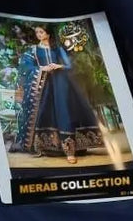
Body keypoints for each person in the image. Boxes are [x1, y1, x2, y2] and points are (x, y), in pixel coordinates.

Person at [13, 24, 101, 163]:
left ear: (48, 34)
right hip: (44, 85)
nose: (39, 34)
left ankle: (70, 150)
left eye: (41, 32)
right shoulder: (34, 50)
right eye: (37, 32)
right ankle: (47, 146)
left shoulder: (58, 49)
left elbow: (69, 65)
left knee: (65, 112)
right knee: (46, 112)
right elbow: (26, 66)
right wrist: (42, 68)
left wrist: (58, 66)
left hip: (61, 84)